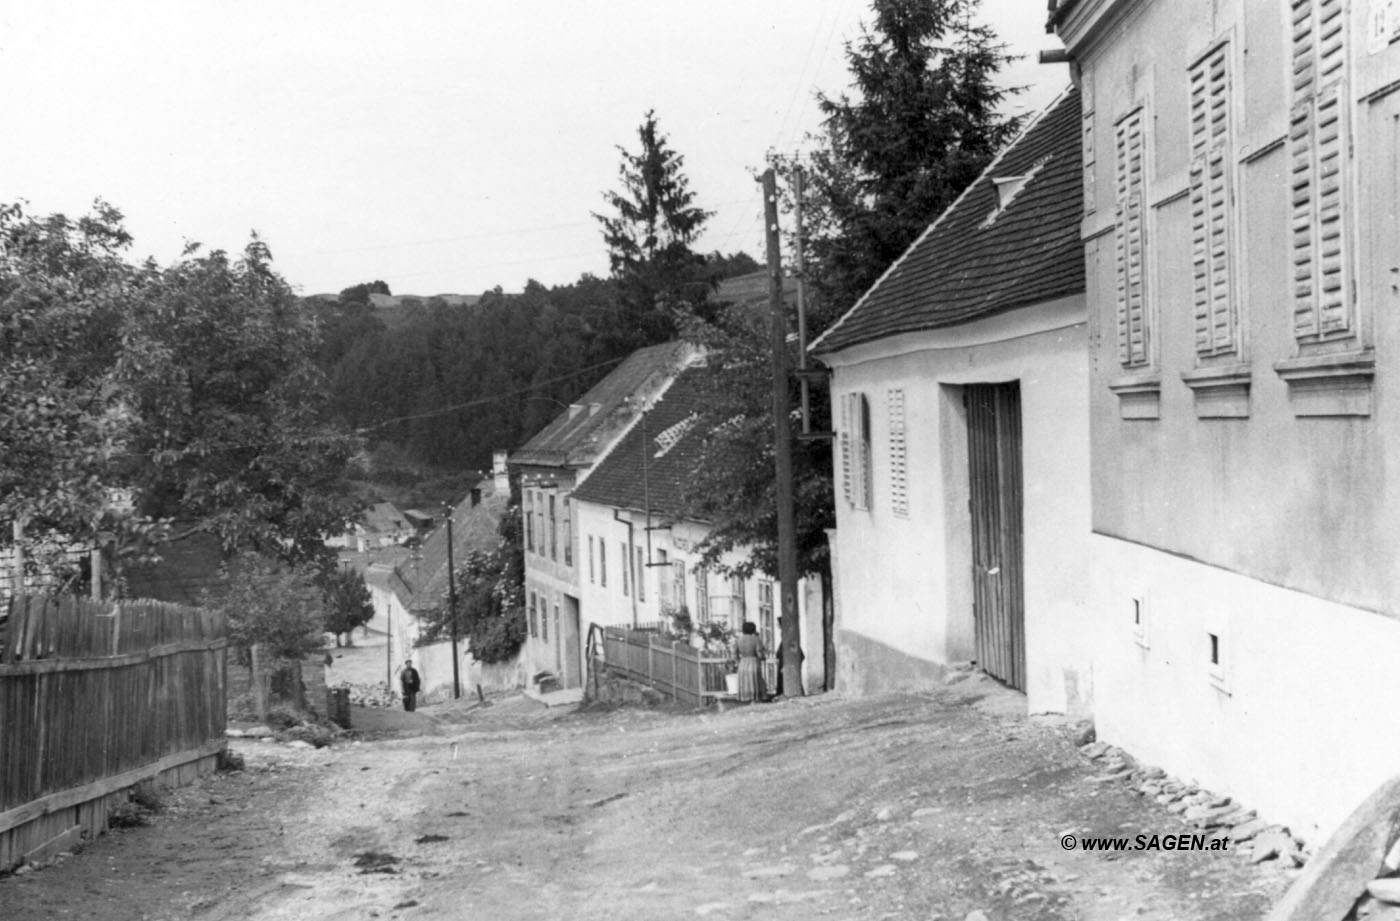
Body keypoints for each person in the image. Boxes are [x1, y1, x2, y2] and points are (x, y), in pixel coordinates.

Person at [735, 621, 766, 703]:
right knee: (754, 680)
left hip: (743, 662)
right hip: (753, 661)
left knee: (745, 682)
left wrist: (738, 662)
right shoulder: (756, 639)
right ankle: (754, 699)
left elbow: (735, 653)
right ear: (753, 629)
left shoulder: (738, 640)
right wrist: (763, 657)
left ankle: (745, 699)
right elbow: (759, 652)